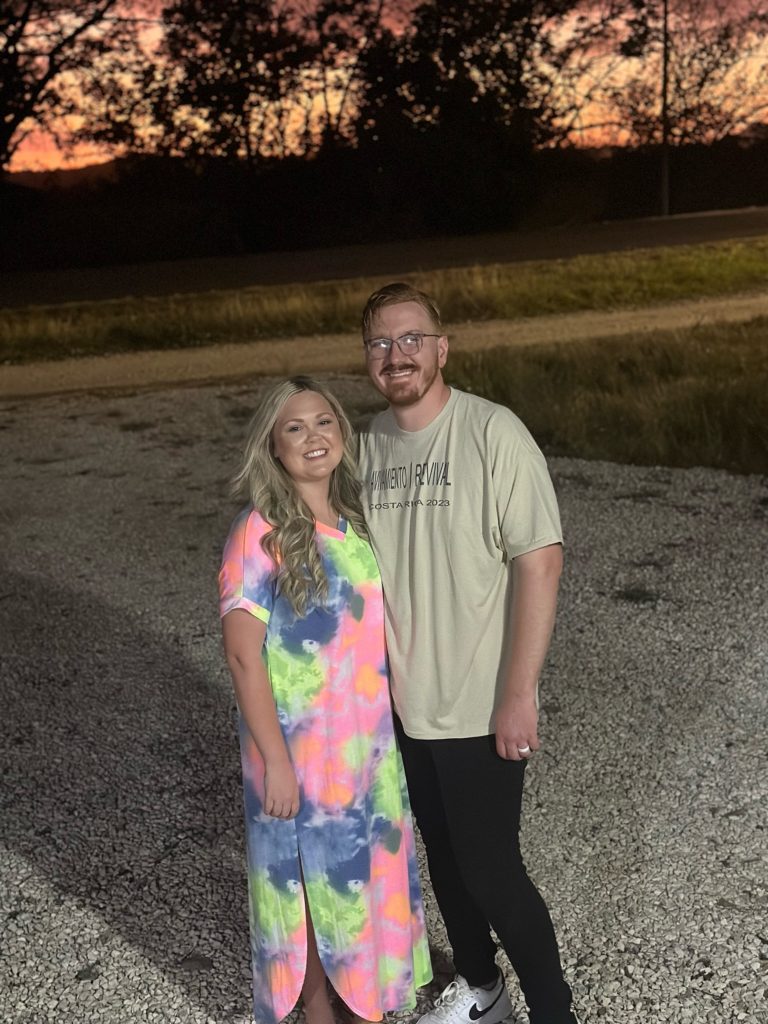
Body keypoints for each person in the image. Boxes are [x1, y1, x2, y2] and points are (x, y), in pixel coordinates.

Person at [358, 284, 581, 1024]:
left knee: (492, 869)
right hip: (405, 703)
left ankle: (553, 1012)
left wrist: (519, 692)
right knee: (445, 857)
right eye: (381, 343)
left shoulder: (492, 432)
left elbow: (540, 560)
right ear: (367, 358)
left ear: (442, 348)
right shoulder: (368, 446)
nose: (397, 355)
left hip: (480, 701)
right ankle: (481, 988)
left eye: (411, 339)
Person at [218, 376, 432, 1024]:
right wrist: (276, 763)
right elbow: (242, 656)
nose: (313, 437)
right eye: (294, 427)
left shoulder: (355, 524)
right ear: (273, 446)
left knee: (364, 881)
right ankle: (319, 1010)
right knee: (306, 886)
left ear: (341, 432)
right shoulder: (258, 534)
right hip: (297, 753)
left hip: (366, 751)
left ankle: (366, 1001)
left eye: (323, 422)